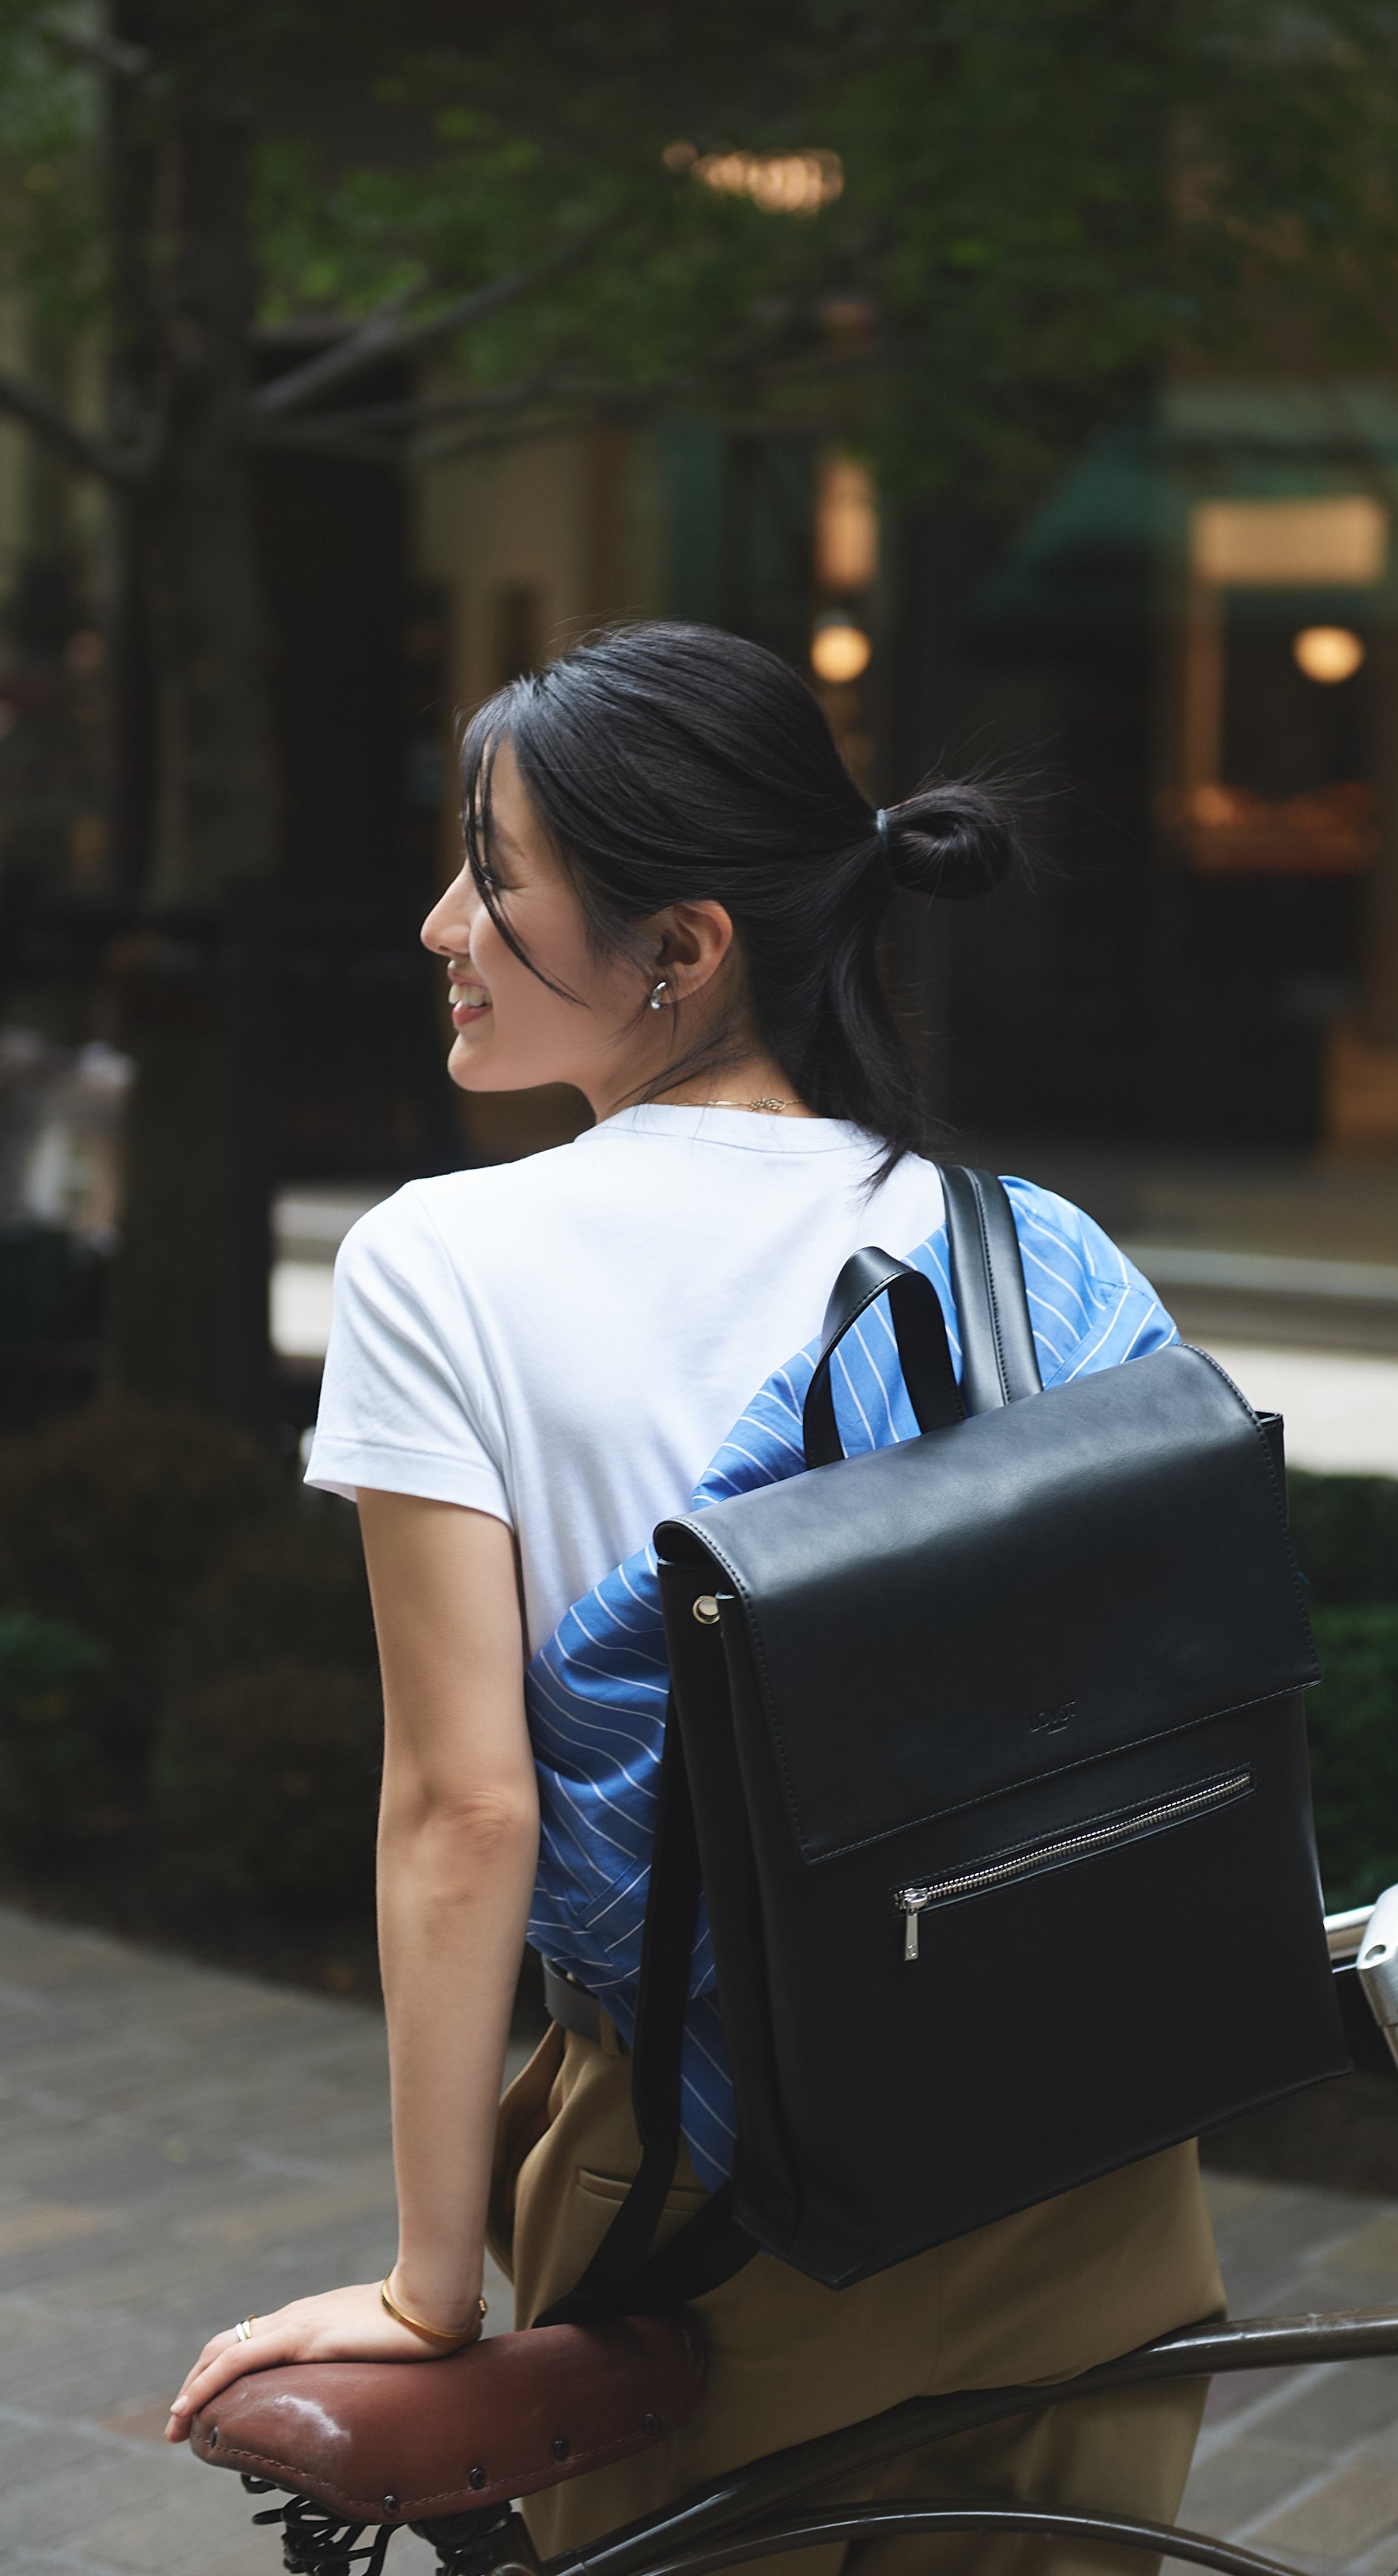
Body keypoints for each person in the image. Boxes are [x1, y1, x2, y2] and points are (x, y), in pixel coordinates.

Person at [166, 623, 1222, 2574]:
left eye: (492, 873)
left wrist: (426, 2289)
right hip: (1091, 2156)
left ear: (686, 941)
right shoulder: (1029, 1249)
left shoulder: (443, 1263)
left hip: (716, 2190)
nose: (436, 926)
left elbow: (464, 1810)